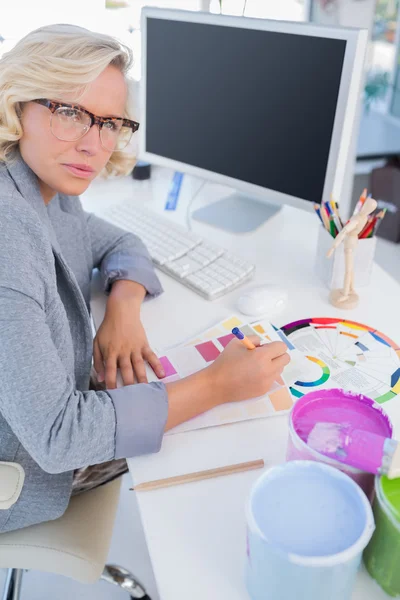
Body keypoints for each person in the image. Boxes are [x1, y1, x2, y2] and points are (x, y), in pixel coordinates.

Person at [0, 24, 290, 533]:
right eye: (70, 112)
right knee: (234, 453)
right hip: (25, 465)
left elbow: (121, 243)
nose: (94, 145)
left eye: (110, 123)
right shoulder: (7, 231)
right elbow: (58, 435)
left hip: (47, 407)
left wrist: (123, 309)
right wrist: (216, 385)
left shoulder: (48, 183)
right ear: (17, 103)